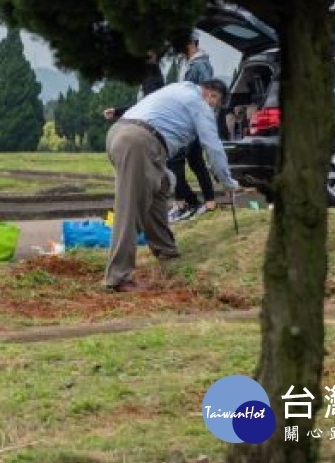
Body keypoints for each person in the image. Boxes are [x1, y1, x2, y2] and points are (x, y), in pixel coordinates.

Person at [104, 78, 239, 292]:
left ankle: (166, 251)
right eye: (217, 103)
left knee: (161, 185)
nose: (214, 108)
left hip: (120, 134)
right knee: (130, 206)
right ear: (211, 95)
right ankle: (118, 277)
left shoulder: (178, 88)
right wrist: (228, 182)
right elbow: (212, 146)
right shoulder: (199, 104)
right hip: (139, 141)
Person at [168, 33, 217, 221]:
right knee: (196, 162)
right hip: (188, 120)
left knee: (175, 160)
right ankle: (209, 203)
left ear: (190, 44)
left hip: (191, 121)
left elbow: (207, 92)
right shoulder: (189, 64)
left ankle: (184, 204)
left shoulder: (200, 65)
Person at [102, 50, 166, 120]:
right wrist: (117, 111)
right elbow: (142, 103)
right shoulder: (152, 74)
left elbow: (145, 104)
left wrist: (117, 111)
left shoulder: (151, 76)